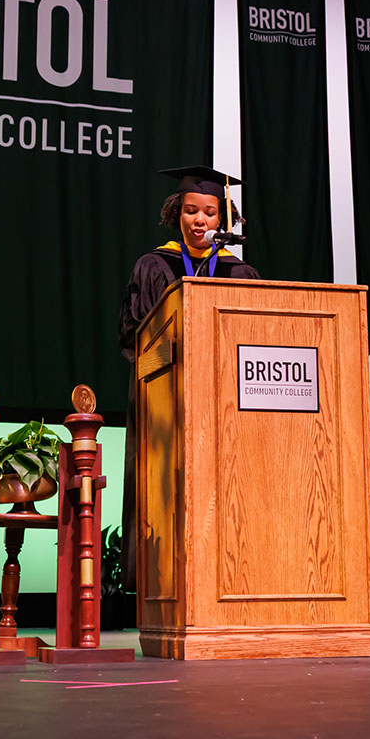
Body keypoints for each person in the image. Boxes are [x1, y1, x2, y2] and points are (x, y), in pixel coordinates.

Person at [118, 166, 260, 588]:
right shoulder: (152, 266)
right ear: (175, 214)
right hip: (165, 404)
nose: (200, 220)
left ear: (223, 219)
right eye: (191, 211)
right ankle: (159, 582)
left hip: (226, 405)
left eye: (210, 213)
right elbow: (131, 335)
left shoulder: (240, 273)